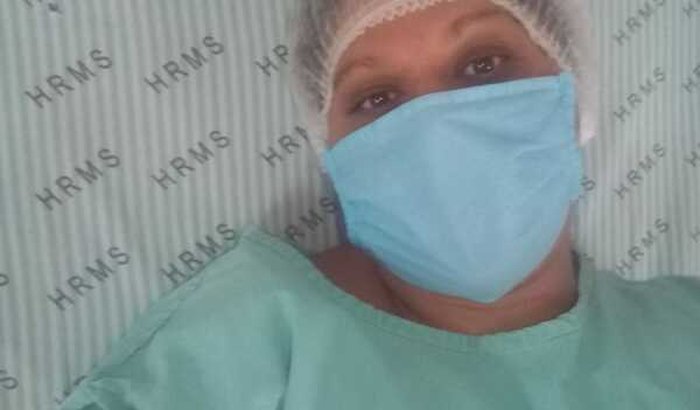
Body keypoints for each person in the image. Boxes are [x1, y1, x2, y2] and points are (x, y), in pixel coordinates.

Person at [60, 1, 700, 409]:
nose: (436, 128)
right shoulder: (254, 333)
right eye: (376, 99)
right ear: (332, 151)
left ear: (575, 96)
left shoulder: (685, 329)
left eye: (483, 65)